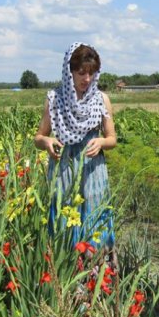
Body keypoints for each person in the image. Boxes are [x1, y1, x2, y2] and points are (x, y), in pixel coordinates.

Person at [34, 42, 117, 251]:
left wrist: (101, 142)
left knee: (94, 218)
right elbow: (38, 137)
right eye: (81, 73)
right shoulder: (55, 99)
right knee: (64, 217)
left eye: (91, 73)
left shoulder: (101, 99)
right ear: (69, 71)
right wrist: (47, 141)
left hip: (92, 170)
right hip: (63, 169)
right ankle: (65, 272)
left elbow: (112, 139)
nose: (86, 79)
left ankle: (96, 274)